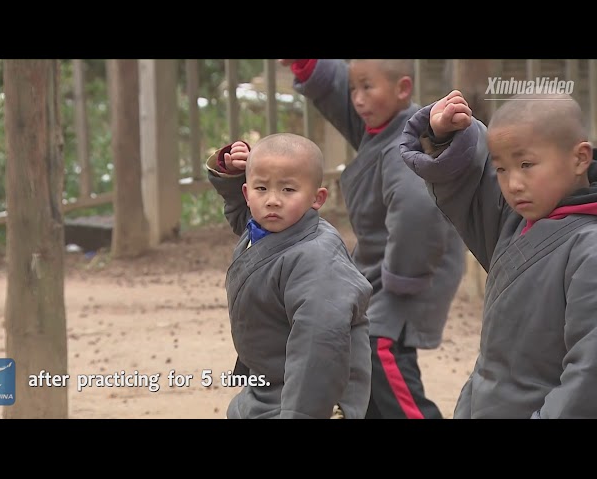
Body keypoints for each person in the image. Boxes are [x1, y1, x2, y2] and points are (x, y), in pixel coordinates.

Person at [278, 59, 466, 419]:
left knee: (380, 348)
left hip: (408, 273)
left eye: (368, 87)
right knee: (361, 354)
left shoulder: (406, 144)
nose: (358, 99)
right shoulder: (377, 125)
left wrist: (401, 278)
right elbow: (339, 96)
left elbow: (417, 212)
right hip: (382, 271)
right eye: (354, 88)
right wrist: (310, 66)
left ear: (403, 90)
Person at [399, 89, 597, 419]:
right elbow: (472, 183)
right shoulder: (516, 222)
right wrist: (443, 134)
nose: (513, 184)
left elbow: (589, 371)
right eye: (502, 169)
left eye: (526, 164)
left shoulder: (588, 248)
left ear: (579, 159)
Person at [206, 132, 373, 419]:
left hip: (307, 397)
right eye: (261, 188)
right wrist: (233, 175)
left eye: (287, 190)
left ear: (317, 198)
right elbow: (243, 218)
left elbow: (318, 350)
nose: (272, 201)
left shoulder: (318, 259)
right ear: (247, 194)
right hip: (267, 385)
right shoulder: (270, 230)